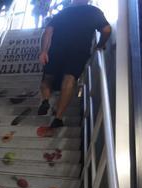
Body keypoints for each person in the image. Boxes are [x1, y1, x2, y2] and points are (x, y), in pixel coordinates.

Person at [38, 0, 111, 128]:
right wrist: (101, 44)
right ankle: (58, 118)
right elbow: (106, 29)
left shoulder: (63, 12)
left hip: (57, 49)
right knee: (69, 79)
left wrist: (44, 51)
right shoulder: (94, 11)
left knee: (48, 77)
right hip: (79, 51)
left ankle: (45, 100)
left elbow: (48, 32)